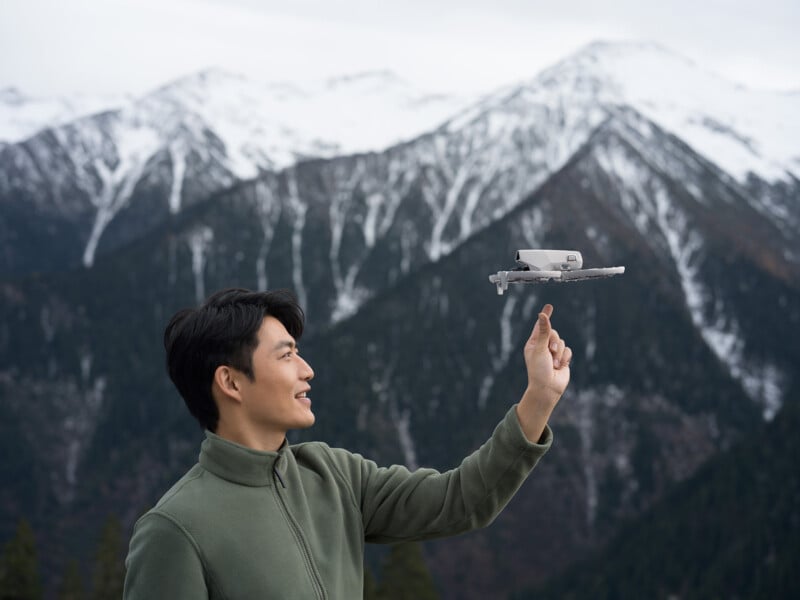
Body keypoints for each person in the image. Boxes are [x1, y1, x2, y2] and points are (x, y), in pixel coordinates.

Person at [123, 287, 572, 599]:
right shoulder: (174, 529)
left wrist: (540, 397)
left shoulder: (334, 475)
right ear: (230, 382)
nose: (307, 369)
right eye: (286, 354)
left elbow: (461, 500)